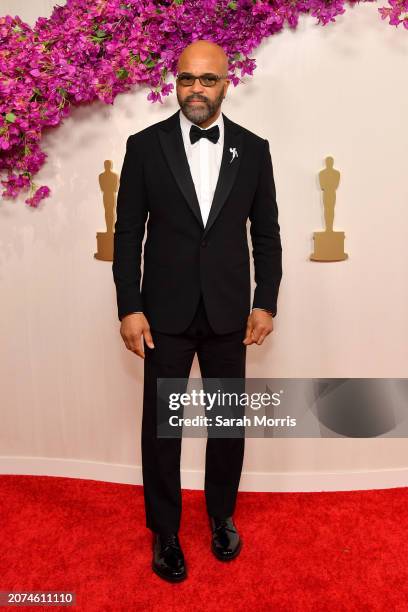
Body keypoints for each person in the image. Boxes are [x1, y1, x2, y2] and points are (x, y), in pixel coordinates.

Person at [112, 39, 282, 582]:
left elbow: (268, 236)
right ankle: (164, 531)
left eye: (207, 80)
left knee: (227, 424)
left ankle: (221, 516)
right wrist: (130, 307)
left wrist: (266, 301)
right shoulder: (145, 145)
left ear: (226, 83)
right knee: (162, 428)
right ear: (176, 82)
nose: (196, 90)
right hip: (163, 315)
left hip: (232, 312)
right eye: (187, 79)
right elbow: (127, 236)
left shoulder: (254, 149)